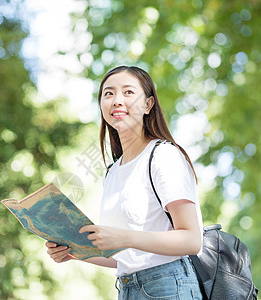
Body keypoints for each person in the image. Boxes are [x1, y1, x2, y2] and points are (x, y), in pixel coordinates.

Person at [46, 65, 203, 299]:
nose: (117, 100)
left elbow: (192, 239)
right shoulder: (112, 173)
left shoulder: (163, 156)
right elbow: (125, 258)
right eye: (108, 93)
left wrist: (124, 237)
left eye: (128, 92)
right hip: (127, 289)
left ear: (148, 105)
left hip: (168, 286)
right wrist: (72, 252)